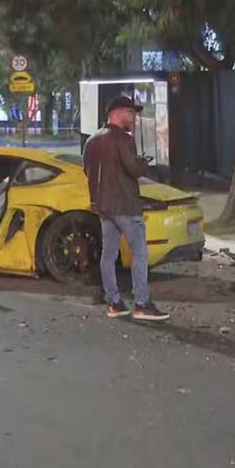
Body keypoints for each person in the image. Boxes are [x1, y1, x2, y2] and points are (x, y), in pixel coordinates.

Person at [83, 95, 170, 321]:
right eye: (130, 112)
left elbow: (87, 171)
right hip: (125, 206)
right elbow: (133, 169)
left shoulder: (91, 141)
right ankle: (142, 303)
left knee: (109, 254)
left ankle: (114, 302)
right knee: (140, 253)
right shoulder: (123, 139)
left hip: (103, 206)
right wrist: (143, 163)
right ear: (117, 113)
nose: (133, 117)